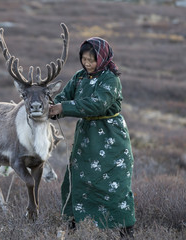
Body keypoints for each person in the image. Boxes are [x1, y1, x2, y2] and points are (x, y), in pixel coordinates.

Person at [49, 37, 135, 238]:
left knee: (115, 185)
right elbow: (64, 97)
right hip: (86, 139)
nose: (87, 63)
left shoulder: (111, 79)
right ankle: (73, 225)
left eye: (91, 60)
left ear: (102, 58)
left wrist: (64, 108)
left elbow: (98, 104)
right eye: (84, 59)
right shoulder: (79, 77)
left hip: (110, 139)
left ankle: (125, 229)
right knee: (76, 180)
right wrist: (52, 107)